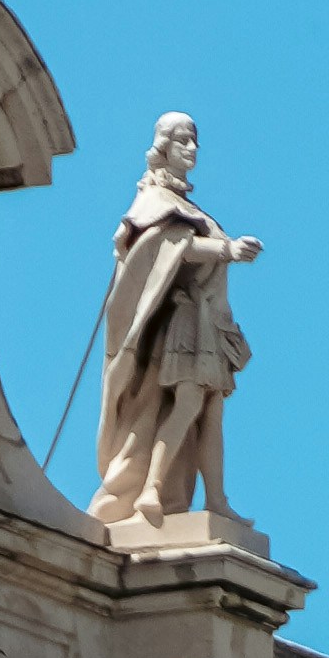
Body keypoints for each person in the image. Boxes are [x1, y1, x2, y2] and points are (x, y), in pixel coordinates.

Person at [95, 117, 262, 528]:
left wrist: (225, 250)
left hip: (208, 321)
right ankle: (151, 489)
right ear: (165, 147)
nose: (192, 149)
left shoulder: (188, 206)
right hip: (183, 321)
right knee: (188, 401)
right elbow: (169, 248)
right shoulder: (153, 198)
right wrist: (227, 249)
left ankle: (217, 499)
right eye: (184, 141)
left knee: (211, 411)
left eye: (195, 141)